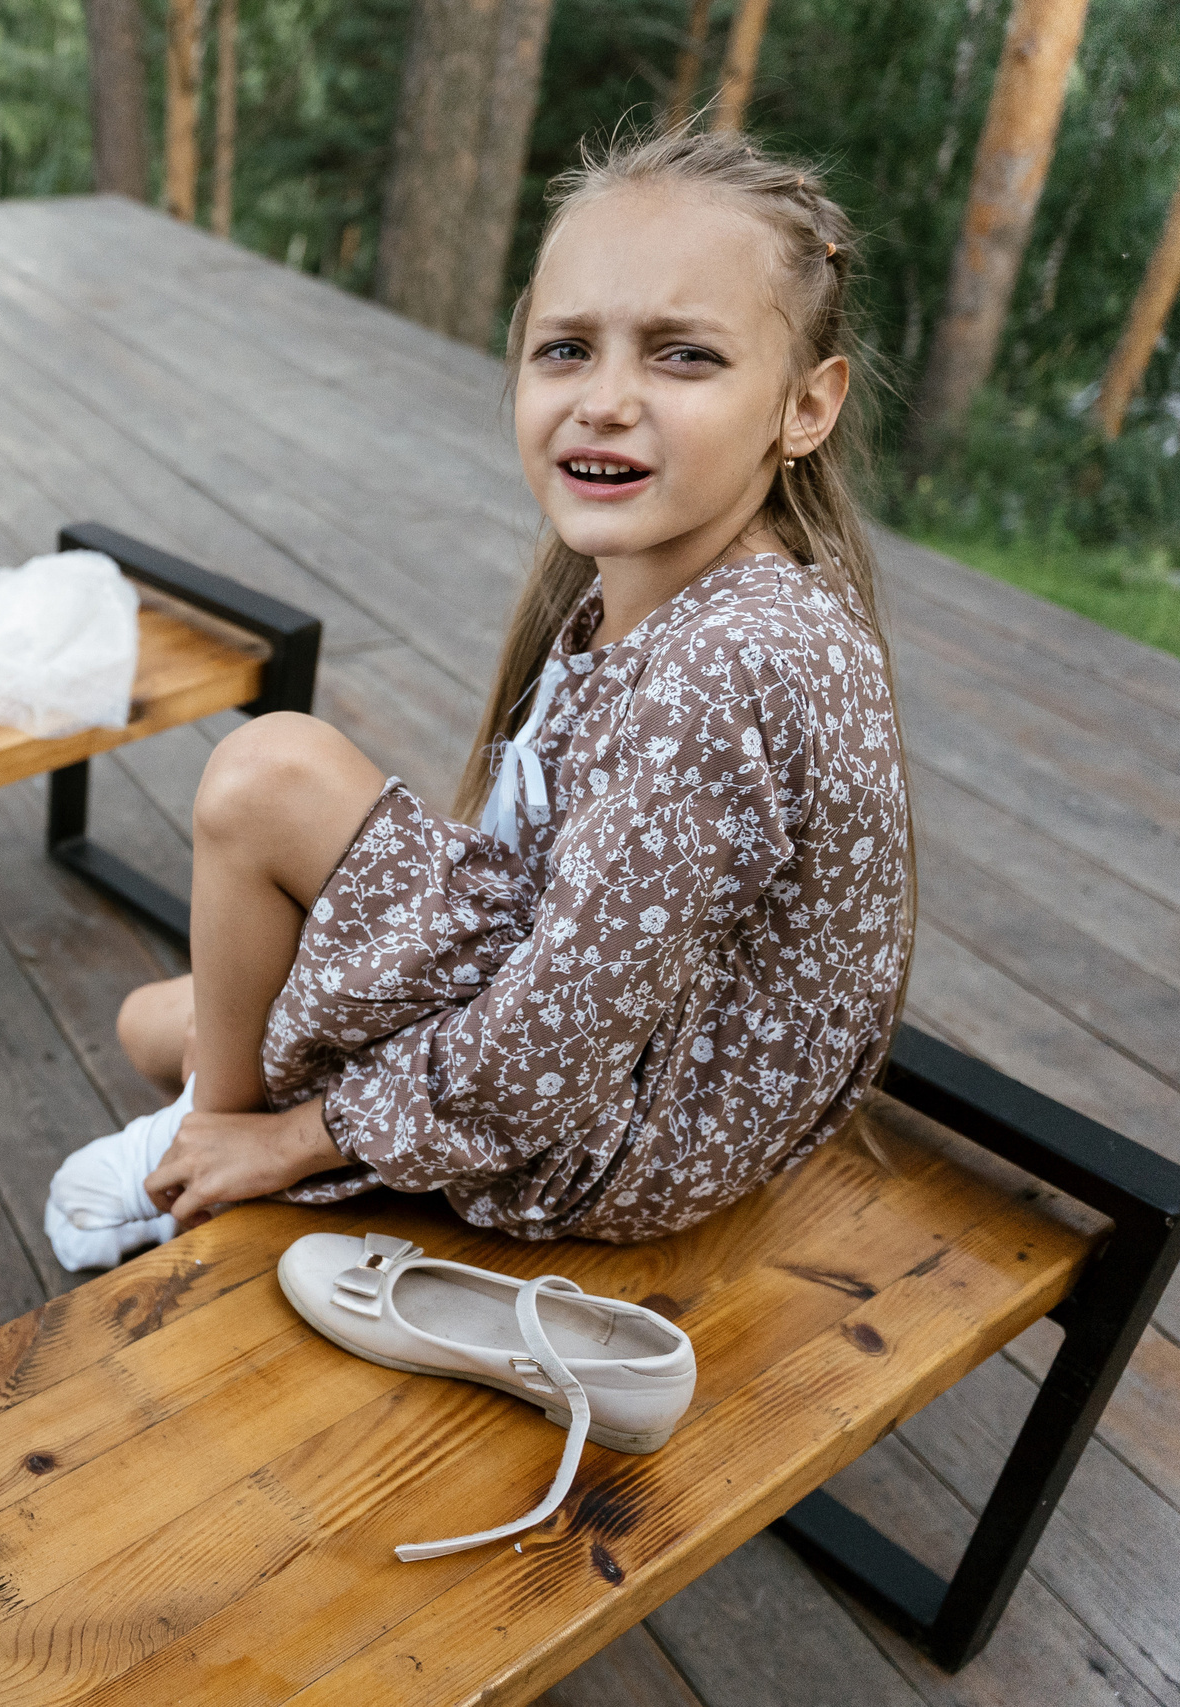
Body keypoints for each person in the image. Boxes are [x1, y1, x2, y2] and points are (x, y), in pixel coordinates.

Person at [47, 125, 913, 1268]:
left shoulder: (725, 665)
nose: (604, 400)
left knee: (268, 777)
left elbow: (551, 1055)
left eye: (682, 356)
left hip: (615, 1136)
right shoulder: (678, 591)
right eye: (566, 349)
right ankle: (223, 1098)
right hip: (649, 1059)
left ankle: (216, 1137)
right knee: (157, 1018)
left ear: (805, 406)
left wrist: (291, 1143)